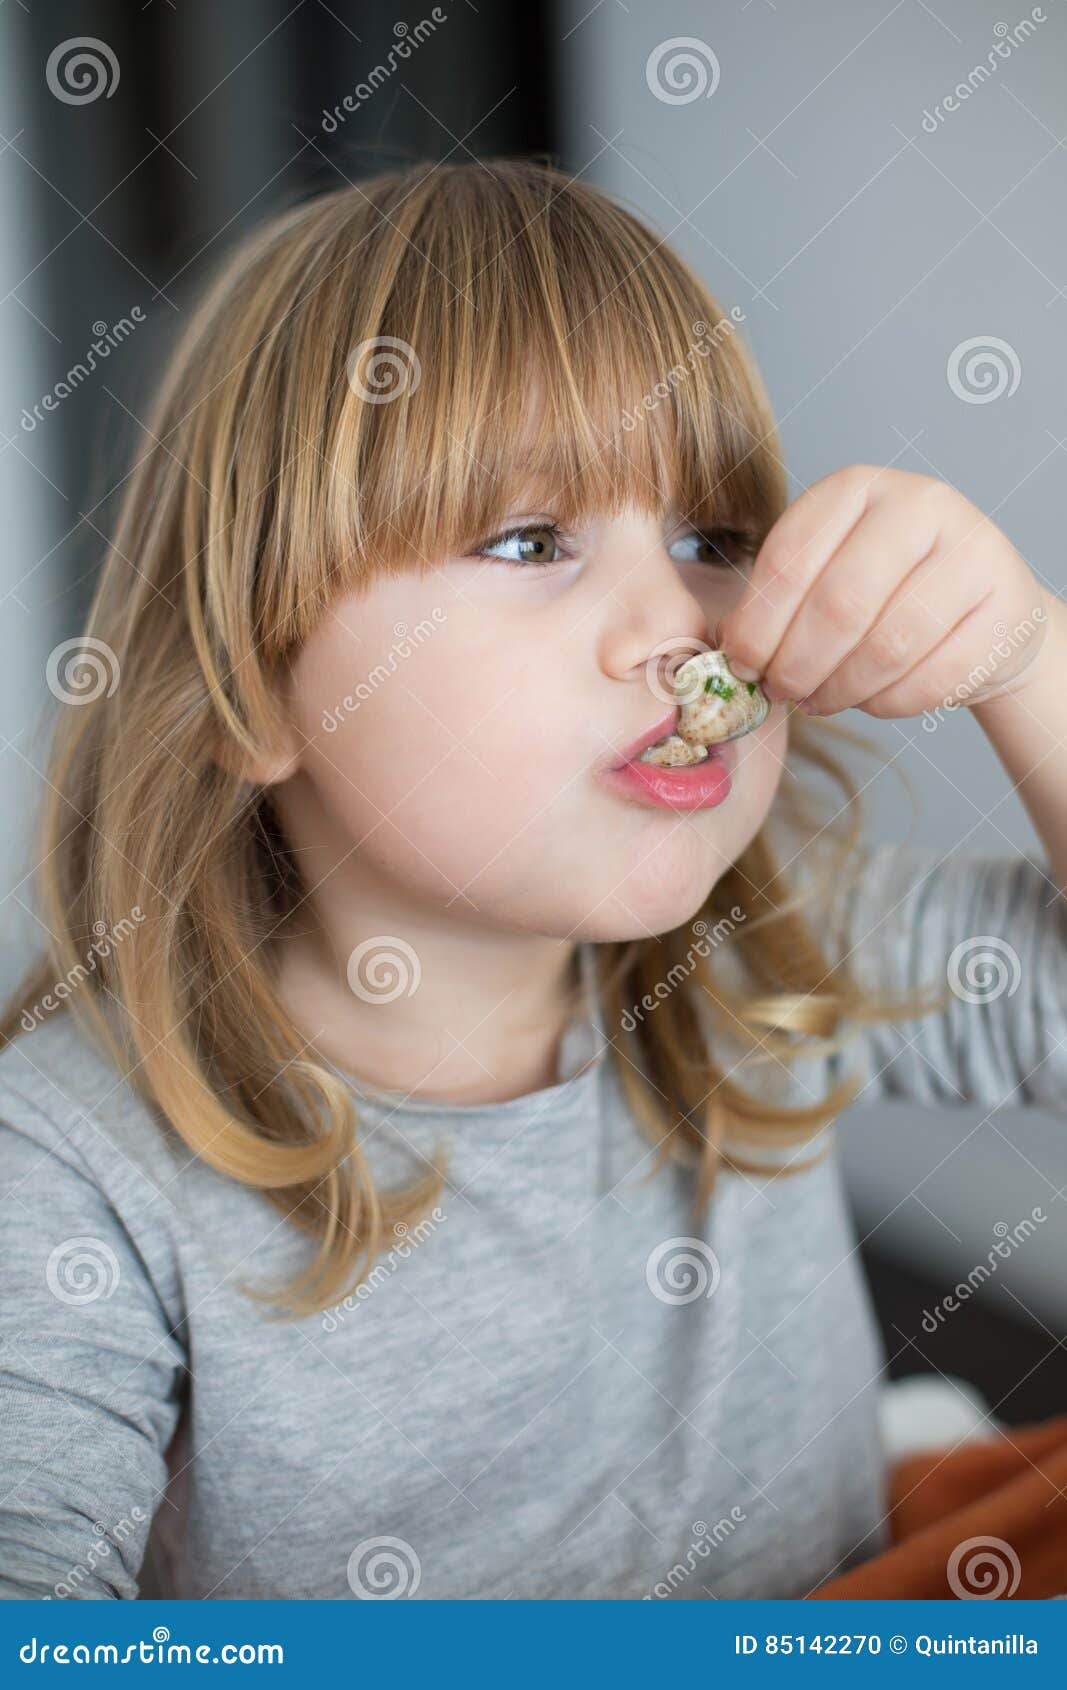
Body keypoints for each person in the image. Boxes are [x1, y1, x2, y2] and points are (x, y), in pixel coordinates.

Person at [1, 158, 1063, 1600]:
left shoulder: (765, 963)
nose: (681, 628)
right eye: (528, 540)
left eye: (714, 541)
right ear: (251, 692)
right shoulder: (71, 1165)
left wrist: (1026, 664)